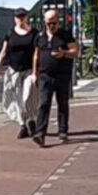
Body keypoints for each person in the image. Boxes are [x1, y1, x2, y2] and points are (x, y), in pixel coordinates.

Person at [33, 9, 78, 146]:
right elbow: (36, 55)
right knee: (43, 103)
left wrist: (64, 53)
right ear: (44, 23)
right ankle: (40, 133)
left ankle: (63, 131)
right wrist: (34, 73)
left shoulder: (65, 35)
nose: (51, 26)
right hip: (45, 75)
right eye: (49, 24)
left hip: (62, 75)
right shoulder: (40, 36)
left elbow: (75, 52)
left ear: (58, 22)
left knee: (62, 103)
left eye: (54, 23)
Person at [0, 8, 39, 139]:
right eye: (18, 17)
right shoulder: (10, 33)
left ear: (27, 17)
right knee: (17, 99)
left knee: (28, 96)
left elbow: (37, 53)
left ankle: (31, 119)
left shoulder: (34, 33)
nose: (20, 19)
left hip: (29, 70)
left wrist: (35, 72)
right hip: (14, 70)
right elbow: (3, 52)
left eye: (23, 16)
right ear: (14, 19)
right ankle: (23, 124)